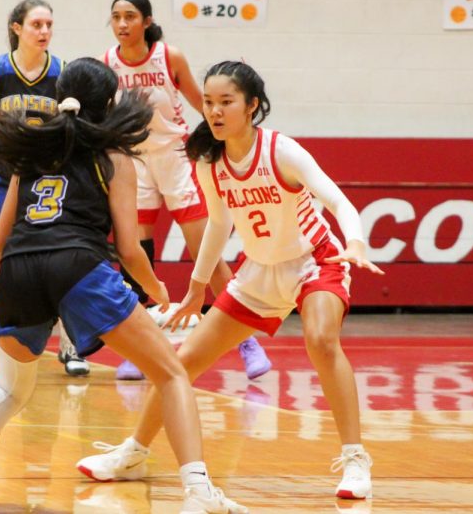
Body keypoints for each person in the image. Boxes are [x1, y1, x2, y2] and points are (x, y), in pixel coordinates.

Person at [0, 58, 248, 514]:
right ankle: (198, 491)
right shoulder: (114, 157)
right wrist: (158, 293)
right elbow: (130, 250)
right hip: (78, 266)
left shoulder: (29, 153)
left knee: (9, 391)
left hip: (17, 272)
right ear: (109, 103)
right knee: (171, 373)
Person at [77, 60, 384, 500]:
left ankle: (355, 460)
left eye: (226, 102)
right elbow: (218, 225)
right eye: (208, 102)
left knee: (320, 339)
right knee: (180, 364)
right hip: (258, 273)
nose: (215, 111)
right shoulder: (209, 160)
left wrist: (354, 244)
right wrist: (198, 287)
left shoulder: (281, 150)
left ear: (252, 105)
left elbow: (338, 201)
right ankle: (134, 452)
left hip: (314, 260)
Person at [103, 0, 270, 381]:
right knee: (135, 260)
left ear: (146, 21)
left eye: (130, 16)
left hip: (176, 159)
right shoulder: (107, 62)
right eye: (116, 17)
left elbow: (203, 106)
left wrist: (224, 150)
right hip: (136, 164)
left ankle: (247, 341)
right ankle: (140, 347)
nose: (122, 24)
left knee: (206, 256)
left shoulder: (168, 56)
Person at [0, 0, 90, 377]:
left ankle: (71, 343)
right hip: (3, 177)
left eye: (49, 24)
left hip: (49, 180)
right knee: (1, 253)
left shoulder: (63, 72)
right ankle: (8, 331)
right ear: (17, 28)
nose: (44, 31)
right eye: (36, 24)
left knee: (60, 257)